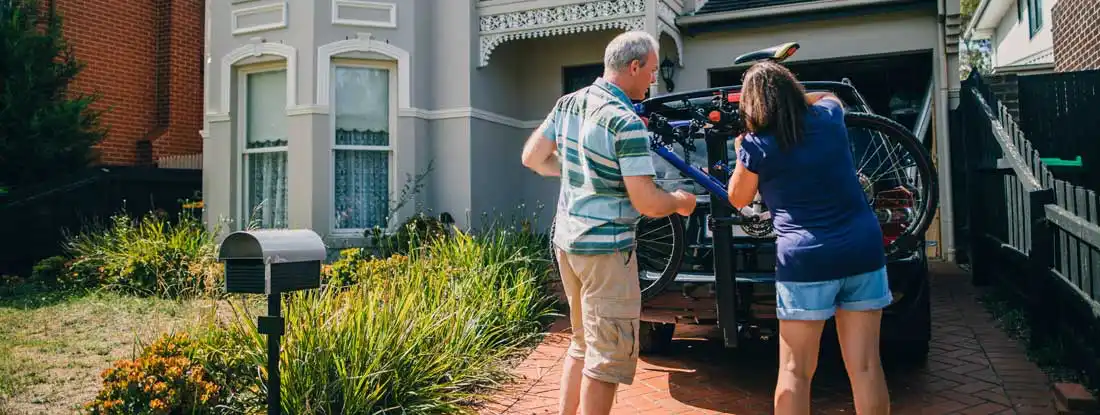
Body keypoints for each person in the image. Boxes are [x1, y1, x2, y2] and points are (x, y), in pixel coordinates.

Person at [520, 30, 697, 415]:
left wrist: (578, 171)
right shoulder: (626, 122)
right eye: (650, 70)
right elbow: (648, 202)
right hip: (606, 253)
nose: (653, 79)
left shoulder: (567, 104)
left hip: (567, 245)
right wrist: (681, 202)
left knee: (582, 345)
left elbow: (533, 158)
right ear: (633, 66)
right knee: (606, 361)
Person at [725, 61, 892, 415]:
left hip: (806, 260)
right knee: (866, 367)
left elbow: (738, 197)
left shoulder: (757, 145)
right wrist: (795, 99)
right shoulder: (830, 117)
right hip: (862, 250)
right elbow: (829, 95)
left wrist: (743, 146)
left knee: (795, 371)